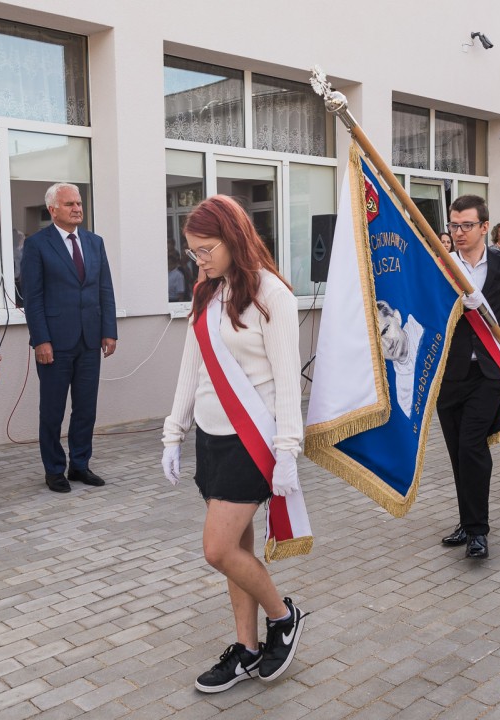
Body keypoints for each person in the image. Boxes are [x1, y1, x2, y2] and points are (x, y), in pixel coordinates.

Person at [160, 195, 306, 692]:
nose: (198, 260)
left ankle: (283, 617)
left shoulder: (272, 295)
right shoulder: (206, 291)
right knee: (237, 546)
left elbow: (288, 380)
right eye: (193, 251)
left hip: (252, 441)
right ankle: (246, 648)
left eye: (206, 249)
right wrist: (173, 432)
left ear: (235, 237)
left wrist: (288, 450)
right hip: (212, 436)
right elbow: (192, 366)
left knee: (217, 549)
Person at [437, 196, 500, 559]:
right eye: (453, 225)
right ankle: (466, 520)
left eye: (465, 225)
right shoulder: (442, 264)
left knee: (472, 446)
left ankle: (479, 532)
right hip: (450, 374)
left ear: (484, 227)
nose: (458, 232)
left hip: (491, 373)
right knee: (457, 452)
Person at [22, 182, 118, 493]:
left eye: (78, 203)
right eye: (70, 204)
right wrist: (41, 340)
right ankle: (54, 470)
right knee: (52, 410)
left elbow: (104, 289)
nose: (77, 208)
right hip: (54, 342)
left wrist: (109, 331)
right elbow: (33, 298)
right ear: (53, 210)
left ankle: (79, 464)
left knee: (86, 408)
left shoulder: (94, 242)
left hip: (90, 339)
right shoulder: (37, 245)